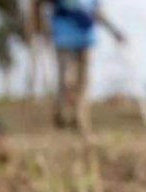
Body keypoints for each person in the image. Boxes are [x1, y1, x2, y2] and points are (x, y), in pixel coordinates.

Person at [45, 0, 127, 135]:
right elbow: (43, 5)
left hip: (86, 38)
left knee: (84, 82)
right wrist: (42, 28)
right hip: (63, 37)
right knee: (66, 79)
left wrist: (114, 31)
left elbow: (98, 13)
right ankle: (62, 112)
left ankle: (80, 117)